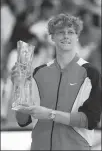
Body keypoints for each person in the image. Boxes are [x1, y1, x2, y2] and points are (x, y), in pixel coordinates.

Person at [11, 13, 101, 150]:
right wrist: (18, 86)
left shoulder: (90, 73)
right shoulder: (38, 73)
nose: (66, 36)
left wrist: (50, 114)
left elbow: (91, 120)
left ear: (77, 37)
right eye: (60, 32)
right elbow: (22, 120)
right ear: (52, 37)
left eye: (70, 32)